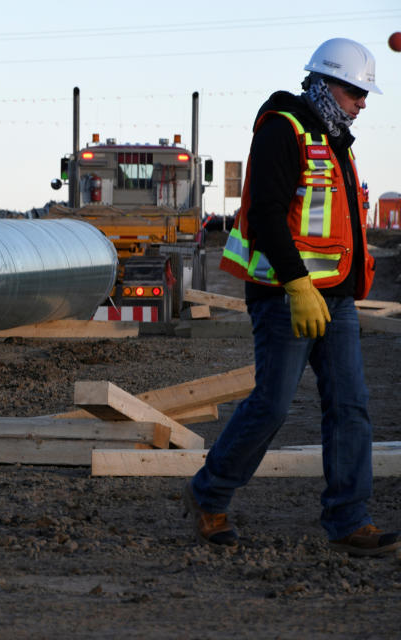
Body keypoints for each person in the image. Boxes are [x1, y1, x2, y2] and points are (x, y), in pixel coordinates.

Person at [183, 38, 401, 557]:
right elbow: (264, 215)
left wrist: (336, 288)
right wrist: (298, 285)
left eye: (365, 92)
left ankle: (350, 519)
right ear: (326, 83)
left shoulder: (336, 136)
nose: (363, 102)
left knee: (351, 407)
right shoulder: (284, 128)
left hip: (336, 299)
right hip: (285, 296)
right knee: (272, 406)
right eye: (355, 91)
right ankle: (208, 494)